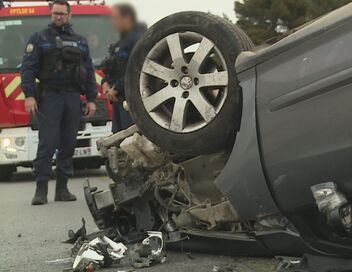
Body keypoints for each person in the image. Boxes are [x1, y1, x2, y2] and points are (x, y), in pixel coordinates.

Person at [20, 0, 97, 205]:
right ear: (50, 14)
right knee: (48, 143)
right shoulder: (39, 39)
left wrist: (91, 99)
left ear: (69, 15)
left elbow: (89, 72)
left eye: (62, 14)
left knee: (68, 144)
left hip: (72, 98)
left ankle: (62, 189)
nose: (59, 17)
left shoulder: (80, 42)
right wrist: (29, 95)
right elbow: (28, 69)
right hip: (50, 97)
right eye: (55, 13)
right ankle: (41, 190)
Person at [101, 3, 146, 133]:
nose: (113, 22)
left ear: (127, 19)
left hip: (131, 100)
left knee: (131, 137)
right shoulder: (120, 42)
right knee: (118, 138)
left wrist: (115, 88)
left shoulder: (137, 40)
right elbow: (113, 67)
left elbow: (136, 70)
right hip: (117, 100)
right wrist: (105, 83)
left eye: (115, 18)